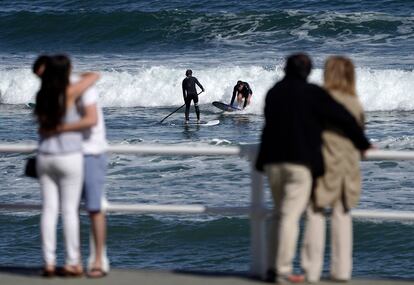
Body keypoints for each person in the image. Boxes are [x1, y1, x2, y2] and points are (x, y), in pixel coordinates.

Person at [255, 53, 371, 283]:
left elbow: (270, 122)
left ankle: (272, 267)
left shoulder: (273, 92)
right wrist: (363, 143)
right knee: (290, 216)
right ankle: (282, 270)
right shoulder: (312, 93)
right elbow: (343, 117)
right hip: (299, 163)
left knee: (279, 215)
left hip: (271, 161)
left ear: (285, 69)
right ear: (307, 72)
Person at [32, 55, 109, 278]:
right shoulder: (70, 92)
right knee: (69, 211)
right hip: (68, 156)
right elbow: (93, 77)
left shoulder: (43, 93)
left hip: (45, 156)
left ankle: (48, 262)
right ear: (68, 70)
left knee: (48, 210)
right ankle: (73, 262)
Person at [301, 56, 365, 283]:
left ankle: (312, 270)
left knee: (315, 214)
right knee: (341, 215)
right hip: (347, 166)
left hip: (322, 163)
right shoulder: (354, 102)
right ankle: (341, 271)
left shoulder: (319, 100)